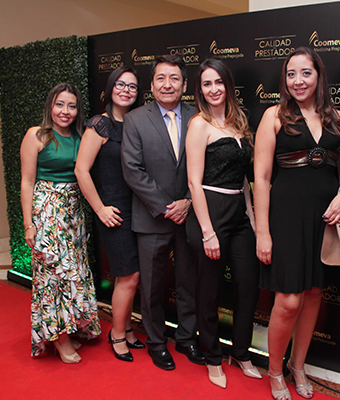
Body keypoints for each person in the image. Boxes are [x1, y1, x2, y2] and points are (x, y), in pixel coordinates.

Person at [254, 47, 340, 400]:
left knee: (314, 295)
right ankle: (275, 370)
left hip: (325, 219)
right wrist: (263, 233)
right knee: (288, 301)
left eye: (305, 73)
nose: (298, 81)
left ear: (318, 76)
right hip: (285, 219)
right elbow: (261, 178)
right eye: (291, 74)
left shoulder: (339, 120)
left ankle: (298, 366)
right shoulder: (274, 116)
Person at [121, 54, 204, 370]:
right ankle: (156, 343)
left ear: (184, 84)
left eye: (174, 78)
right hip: (152, 217)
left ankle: (186, 338)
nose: (167, 84)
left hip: (191, 216)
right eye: (161, 78)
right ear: (152, 84)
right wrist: (168, 207)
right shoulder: (135, 119)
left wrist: (188, 201)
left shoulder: (198, 117)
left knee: (189, 283)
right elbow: (132, 170)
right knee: (153, 286)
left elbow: (208, 166)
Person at [186, 58, 261, 388]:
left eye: (218, 82)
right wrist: (208, 232)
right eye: (207, 84)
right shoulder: (199, 124)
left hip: (238, 210)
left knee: (248, 284)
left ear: (228, 85)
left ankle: (241, 352)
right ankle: (212, 356)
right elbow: (193, 182)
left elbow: (244, 179)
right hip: (210, 210)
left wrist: (253, 219)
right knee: (209, 289)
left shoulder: (239, 122)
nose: (213, 89)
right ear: (200, 89)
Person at [20, 82, 101, 364]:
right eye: (59, 104)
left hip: (73, 214)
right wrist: (28, 224)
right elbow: (27, 181)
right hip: (47, 212)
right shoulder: (36, 135)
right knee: (53, 274)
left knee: (73, 273)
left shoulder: (81, 137)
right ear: (50, 106)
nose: (65, 111)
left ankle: (69, 326)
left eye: (71, 106)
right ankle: (59, 338)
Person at [74, 67, 144, 363]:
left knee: (129, 276)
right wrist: (100, 208)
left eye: (132, 86)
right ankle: (117, 335)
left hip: (138, 208)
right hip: (113, 211)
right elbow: (81, 170)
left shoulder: (137, 124)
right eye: (121, 84)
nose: (126, 90)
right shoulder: (99, 125)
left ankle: (126, 327)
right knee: (128, 275)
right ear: (110, 88)